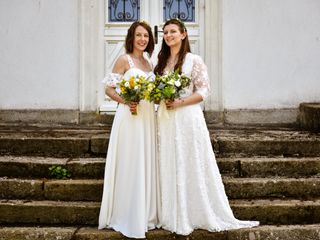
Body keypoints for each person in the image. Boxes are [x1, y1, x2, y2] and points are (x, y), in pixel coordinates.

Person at [154, 18, 259, 235]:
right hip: (166, 119)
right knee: (169, 160)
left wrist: (180, 102)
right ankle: (170, 212)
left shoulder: (194, 60)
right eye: (165, 32)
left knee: (189, 160)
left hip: (187, 118)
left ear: (183, 34)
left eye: (173, 31)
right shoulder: (162, 60)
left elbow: (203, 91)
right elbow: (157, 90)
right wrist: (159, 98)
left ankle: (194, 212)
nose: (168, 35)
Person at [99, 21, 159, 239]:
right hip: (129, 116)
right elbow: (108, 88)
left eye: (146, 36)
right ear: (131, 38)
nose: (143, 39)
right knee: (130, 161)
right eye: (139, 35)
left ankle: (145, 213)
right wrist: (126, 100)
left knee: (144, 161)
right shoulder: (125, 59)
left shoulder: (149, 63)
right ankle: (127, 214)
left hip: (146, 118)